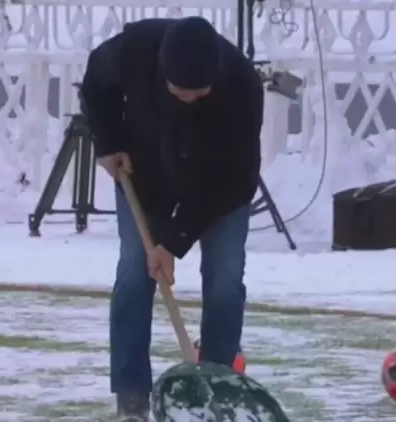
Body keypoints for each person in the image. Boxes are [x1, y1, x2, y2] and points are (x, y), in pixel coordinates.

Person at [79, 16, 263, 421]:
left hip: (219, 191)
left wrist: (173, 240)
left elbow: (235, 178)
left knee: (225, 279)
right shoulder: (134, 50)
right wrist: (108, 142)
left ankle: (215, 387)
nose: (191, 101)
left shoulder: (242, 85)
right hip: (144, 177)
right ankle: (131, 398)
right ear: (162, 73)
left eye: (200, 94)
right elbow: (95, 84)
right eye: (182, 93)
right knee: (133, 274)